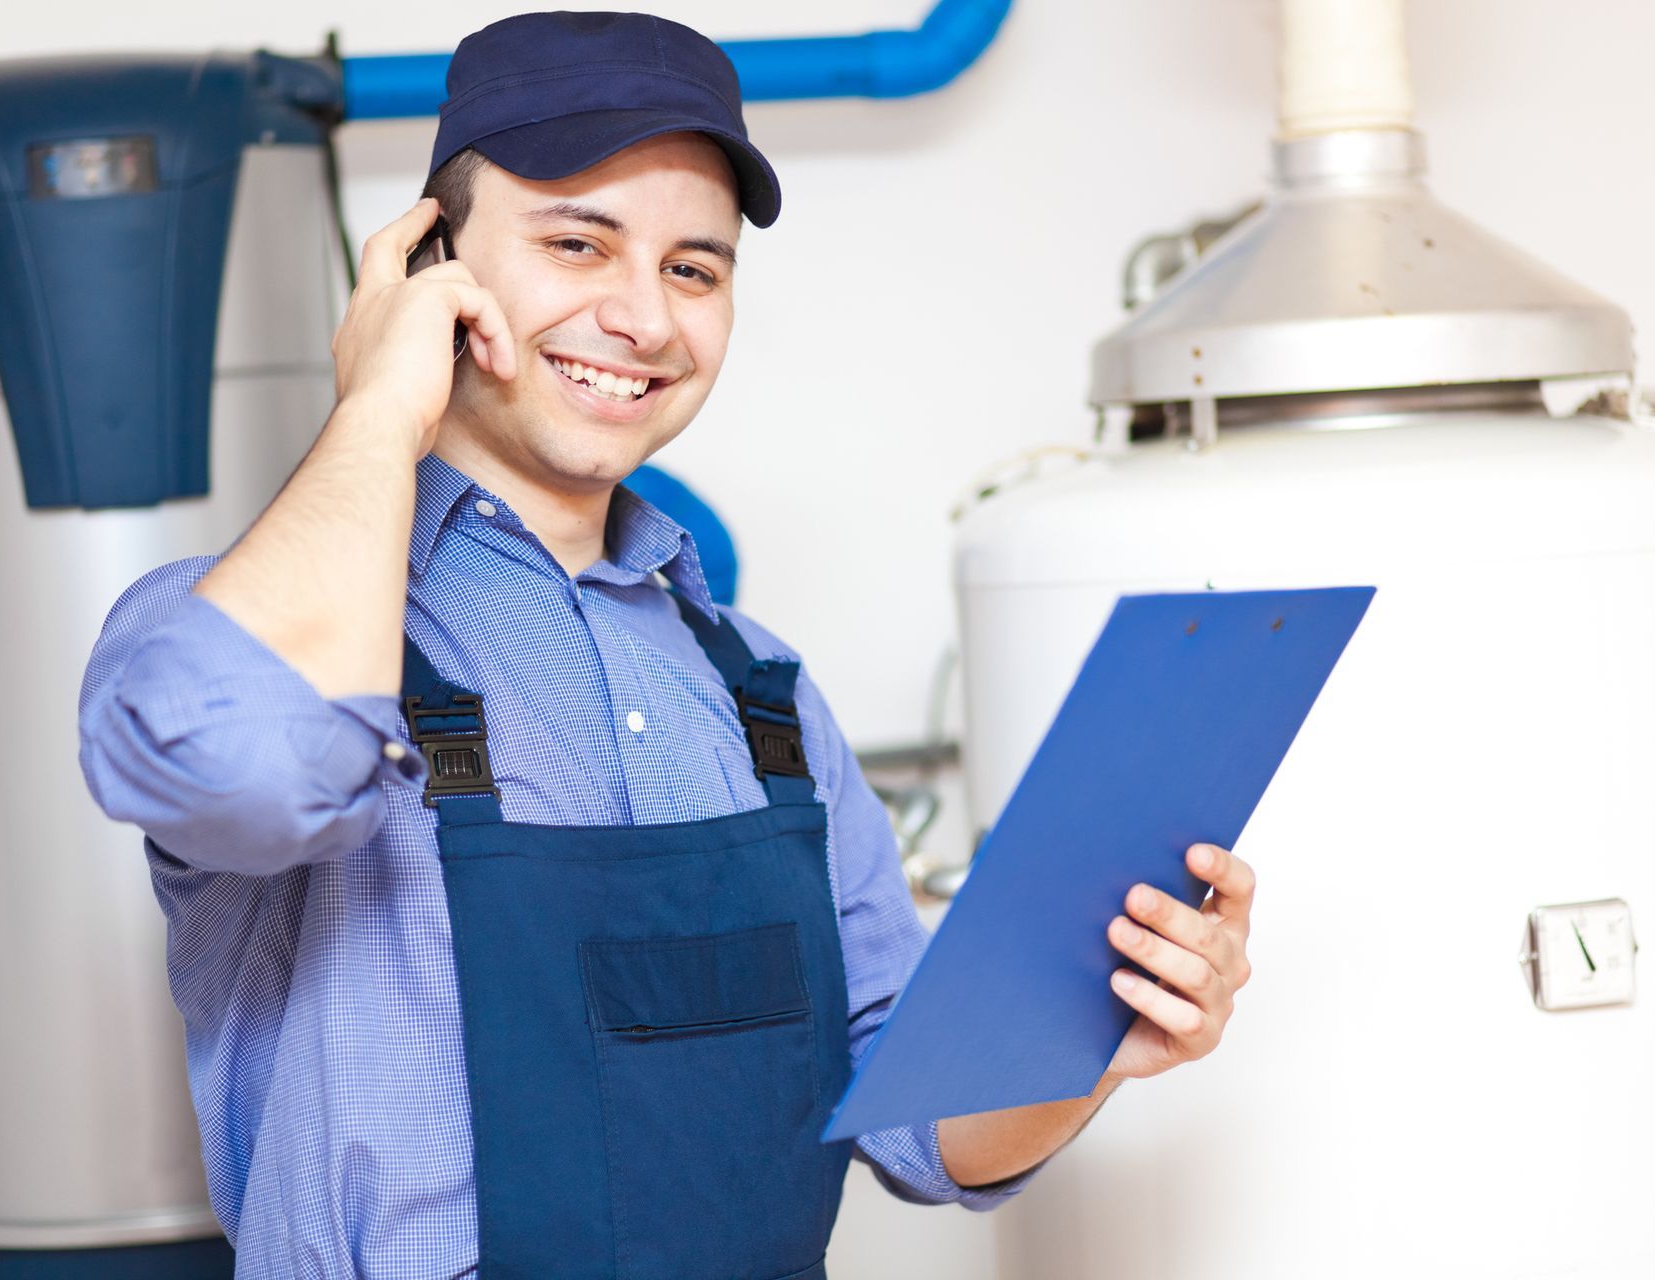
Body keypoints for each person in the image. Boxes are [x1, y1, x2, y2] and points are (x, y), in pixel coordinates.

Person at [78, 11, 1256, 1277]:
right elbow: (250, 767)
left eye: (694, 269)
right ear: (428, 265)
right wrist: (380, 402)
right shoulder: (215, 617)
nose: (642, 317)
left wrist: (1090, 1037)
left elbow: (922, 1126)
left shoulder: (761, 692)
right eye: (577, 242)